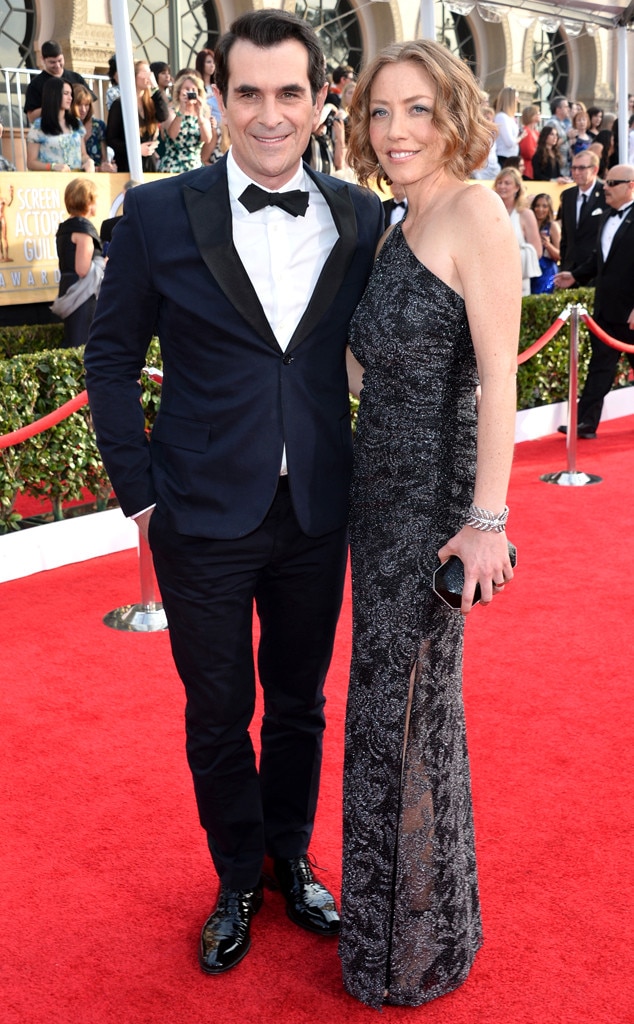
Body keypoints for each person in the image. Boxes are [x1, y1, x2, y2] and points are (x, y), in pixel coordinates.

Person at [84, 8, 383, 979]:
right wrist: (139, 493)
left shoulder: (358, 216)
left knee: (299, 702)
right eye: (246, 93)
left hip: (315, 513)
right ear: (218, 99)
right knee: (218, 709)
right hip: (199, 517)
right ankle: (233, 877)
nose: (267, 114)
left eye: (287, 92)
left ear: (318, 99)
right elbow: (112, 355)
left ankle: (290, 856)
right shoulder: (160, 212)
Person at [341, 38, 519, 1010]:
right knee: (389, 716)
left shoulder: (474, 210)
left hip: (434, 513)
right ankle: (410, 927)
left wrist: (486, 520)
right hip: (376, 501)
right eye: (379, 112)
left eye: (415, 109)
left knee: (404, 713)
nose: (396, 129)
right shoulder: (392, 224)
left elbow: (500, 374)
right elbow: (366, 368)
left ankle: (414, 947)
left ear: (451, 112)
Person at [554, 166, 634, 438]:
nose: (605, 187)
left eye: (612, 182)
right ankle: (585, 423)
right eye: (606, 182)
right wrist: (574, 276)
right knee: (599, 368)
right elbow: (599, 261)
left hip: (631, 313)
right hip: (605, 309)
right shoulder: (607, 215)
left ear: (631, 185)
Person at [51, 178, 105, 347]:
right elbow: (83, 269)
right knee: (83, 343)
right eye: (95, 200)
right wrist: (104, 263)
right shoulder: (83, 229)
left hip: (69, 287)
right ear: (88, 201)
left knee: (76, 340)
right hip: (82, 293)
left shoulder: (65, 228)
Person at [106, 61, 169, 173]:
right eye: (145, 72)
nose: (149, 76)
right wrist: (136, 150)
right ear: (133, 76)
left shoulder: (150, 103)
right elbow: (111, 139)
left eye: (150, 72)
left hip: (149, 164)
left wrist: (155, 88)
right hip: (127, 164)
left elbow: (163, 115)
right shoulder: (120, 104)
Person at [26, 77, 94, 173]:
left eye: (71, 94)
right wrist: (53, 166)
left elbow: (83, 154)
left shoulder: (76, 123)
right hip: (50, 181)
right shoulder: (39, 126)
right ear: (53, 95)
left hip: (75, 180)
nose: (70, 98)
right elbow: (31, 163)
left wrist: (89, 161)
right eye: (66, 94)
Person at [494, 166, 542, 295]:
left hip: (518, 280)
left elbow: (537, 251)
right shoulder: (489, 212)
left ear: (517, 187)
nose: (502, 186)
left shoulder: (525, 214)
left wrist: (511, 257)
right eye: (499, 182)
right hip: (492, 276)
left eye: (507, 183)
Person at [24, 39, 95, 124]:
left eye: (60, 60)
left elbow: (89, 102)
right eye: (52, 62)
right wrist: (55, 104)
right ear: (42, 59)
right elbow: (31, 117)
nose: (57, 65)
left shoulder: (76, 78)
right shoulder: (35, 84)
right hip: (51, 129)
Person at [558, 149, 606, 274]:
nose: (576, 172)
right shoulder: (568, 196)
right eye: (573, 168)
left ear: (594, 170)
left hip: (596, 270)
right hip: (570, 269)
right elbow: (565, 237)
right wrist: (564, 265)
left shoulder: (606, 194)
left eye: (581, 168)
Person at [160, 71, 215, 174]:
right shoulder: (171, 111)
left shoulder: (203, 113)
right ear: (179, 92)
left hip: (195, 169)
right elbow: (172, 135)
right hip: (172, 168)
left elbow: (207, 139)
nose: (190, 92)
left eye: (193, 90)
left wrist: (199, 114)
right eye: (187, 89)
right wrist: (181, 109)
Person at [72, 84, 116, 172]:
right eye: (79, 105)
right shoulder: (66, 126)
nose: (83, 109)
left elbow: (104, 159)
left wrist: (106, 167)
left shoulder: (99, 125)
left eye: (86, 105)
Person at [530, 193, 561, 293]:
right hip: (529, 269)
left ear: (549, 209)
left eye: (544, 206)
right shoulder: (528, 224)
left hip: (546, 271)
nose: (540, 209)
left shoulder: (552, 226)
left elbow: (559, 255)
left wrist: (547, 245)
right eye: (537, 205)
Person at [546, 95, 574, 175]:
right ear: (558, 109)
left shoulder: (564, 123)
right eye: (566, 107)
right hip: (557, 165)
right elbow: (550, 144)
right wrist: (567, 137)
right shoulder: (552, 123)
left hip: (565, 164)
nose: (568, 109)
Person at [493, 86, 519, 167]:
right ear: (510, 99)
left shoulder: (509, 117)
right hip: (504, 158)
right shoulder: (501, 117)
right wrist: (521, 137)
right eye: (516, 98)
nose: (518, 101)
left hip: (511, 157)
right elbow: (509, 142)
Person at [518, 104, 540, 178]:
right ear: (531, 115)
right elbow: (527, 151)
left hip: (536, 165)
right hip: (528, 167)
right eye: (537, 113)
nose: (539, 115)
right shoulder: (525, 131)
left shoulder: (536, 132)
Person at [0, 179, 14, 262]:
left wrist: (11, 194)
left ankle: (6, 256)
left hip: (2, 219)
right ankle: (1, 256)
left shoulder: (2, 199)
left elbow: (9, 203)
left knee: (4, 237)